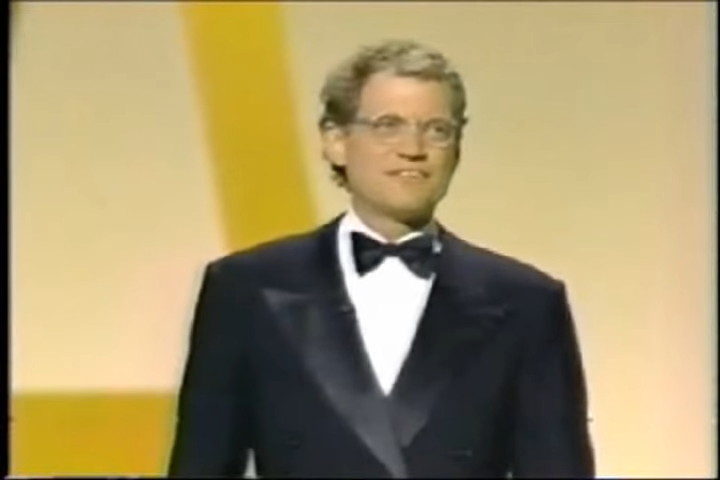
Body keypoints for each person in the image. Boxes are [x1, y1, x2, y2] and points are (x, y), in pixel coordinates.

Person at [168, 39, 595, 478]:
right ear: (335, 141)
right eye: (388, 125)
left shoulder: (526, 302)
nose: (413, 147)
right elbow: (203, 466)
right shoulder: (246, 288)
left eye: (437, 129)